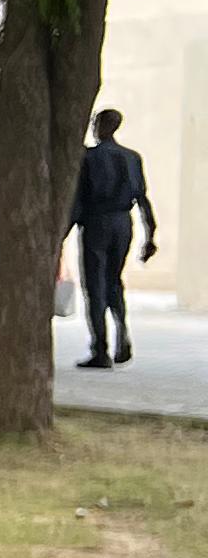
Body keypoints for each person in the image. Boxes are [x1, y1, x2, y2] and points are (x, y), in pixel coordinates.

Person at [67, 105, 160, 368]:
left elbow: (77, 201)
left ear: (101, 126)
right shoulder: (132, 158)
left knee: (94, 286)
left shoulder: (88, 158)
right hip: (123, 223)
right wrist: (150, 235)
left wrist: (62, 234)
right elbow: (142, 198)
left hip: (96, 223)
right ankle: (122, 334)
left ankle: (101, 349)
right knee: (114, 281)